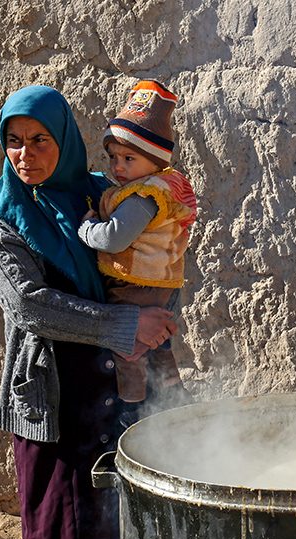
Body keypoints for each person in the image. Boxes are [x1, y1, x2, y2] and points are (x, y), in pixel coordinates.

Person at [0, 85, 178, 539]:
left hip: (119, 379)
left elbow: (153, 251)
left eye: (40, 140)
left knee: (116, 504)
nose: (25, 154)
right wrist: (124, 323)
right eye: (14, 141)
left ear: (64, 142)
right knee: (53, 516)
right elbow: (29, 307)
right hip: (49, 390)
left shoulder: (99, 194)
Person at [78, 80, 196, 410]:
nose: (117, 167)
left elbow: (115, 239)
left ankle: (132, 409)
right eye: (113, 157)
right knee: (158, 344)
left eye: (129, 158)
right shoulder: (167, 187)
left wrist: (87, 229)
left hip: (136, 285)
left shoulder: (143, 196)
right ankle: (173, 393)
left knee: (129, 349)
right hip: (161, 285)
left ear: (155, 160)